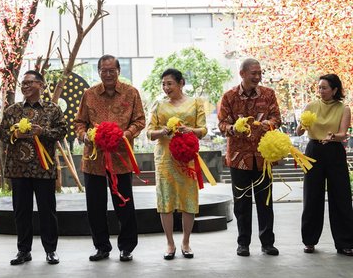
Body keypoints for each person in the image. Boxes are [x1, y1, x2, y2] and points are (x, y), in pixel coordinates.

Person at [74, 55, 145, 262]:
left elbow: (140, 120)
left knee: (124, 204)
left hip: (120, 157)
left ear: (118, 71)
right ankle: (101, 247)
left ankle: (127, 247)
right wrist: (85, 135)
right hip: (94, 158)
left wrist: (127, 134)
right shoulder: (89, 94)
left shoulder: (131, 93)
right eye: (103, 70)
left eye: (111, 70)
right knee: (95, 206)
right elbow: (80, 122)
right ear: (98, 72)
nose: (108, 74)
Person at [0, 70, 67, 265]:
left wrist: (42, 131)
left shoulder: (53, 109)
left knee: (47, 211)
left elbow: (62, 131)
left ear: (41, 85)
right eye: (24, 84)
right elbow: (2, 134)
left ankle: (50, 250)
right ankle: (23, 251)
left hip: (43, 168)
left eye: (30, 83)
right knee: (21, 211)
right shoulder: (12, 110)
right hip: (18, 169)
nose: (26, 86)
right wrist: (14, 136)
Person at [218, 58, 281, 257]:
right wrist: (233, 129)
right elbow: (222, 125)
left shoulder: (269, 94)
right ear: (242, 73)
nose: (257, 77)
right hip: (239, 158)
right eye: (253, 73)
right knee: (241, 203)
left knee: (265, 202)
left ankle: (267, 243)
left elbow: (277, 119)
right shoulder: (229, 97)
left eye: (259, 73)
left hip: (264, 156)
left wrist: (268, 124)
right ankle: (243, 243)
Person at [146, 69, 207, 260]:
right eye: (163, 84)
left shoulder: (195, 103)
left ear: (181, 83)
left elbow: (203, 129)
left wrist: (190, 130)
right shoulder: (158, 105)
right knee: (166, 201)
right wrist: (163, 131)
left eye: (170, 83)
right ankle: (170, 243)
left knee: (188, 200)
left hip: (187, 157)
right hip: (165, 158)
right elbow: (149, 132)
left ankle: (186, 242)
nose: (166, 88)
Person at [296, 74, 353, 256]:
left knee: (341, 196)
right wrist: (302, 125)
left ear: (335, 90)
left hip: (334, 150)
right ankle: (309, 241)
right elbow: (299, 131)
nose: (320, 91)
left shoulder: (343, 108)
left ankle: (345, 243)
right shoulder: (311, 106)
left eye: (324, 88)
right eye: (319, 87)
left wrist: (333, 137)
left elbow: (343, 133)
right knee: (312, 196)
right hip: (313, 151)